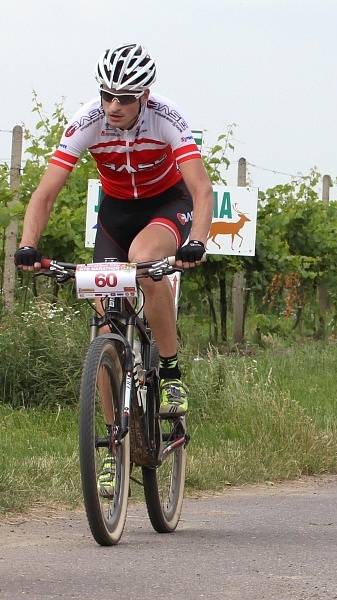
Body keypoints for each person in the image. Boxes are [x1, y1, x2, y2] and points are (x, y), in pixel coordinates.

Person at [14, 43, 212, 424]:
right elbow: (46, 193)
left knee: (143, 261)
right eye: (106, 95)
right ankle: (110, 444)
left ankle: (170, 372)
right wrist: (27, 244)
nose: (112, 106)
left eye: (123, 98)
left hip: (167, 204)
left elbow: (202, 188)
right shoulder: (88, 121)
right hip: (116, 213)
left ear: (144, 97)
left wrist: (197, 241)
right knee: (104, 325)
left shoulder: (167, 117)